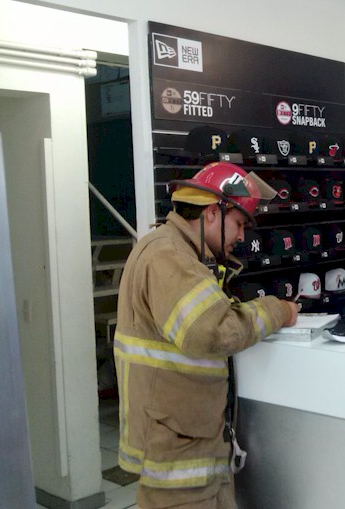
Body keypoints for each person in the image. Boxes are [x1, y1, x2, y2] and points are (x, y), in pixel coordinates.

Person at [113, 161, 300, 509]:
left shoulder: (176, 251)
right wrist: (278, 311)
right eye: (239, 223)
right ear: (213, 213)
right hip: (177, 462)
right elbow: (212, 332)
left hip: (188, 449)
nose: (242, 237)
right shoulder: (169, 256)